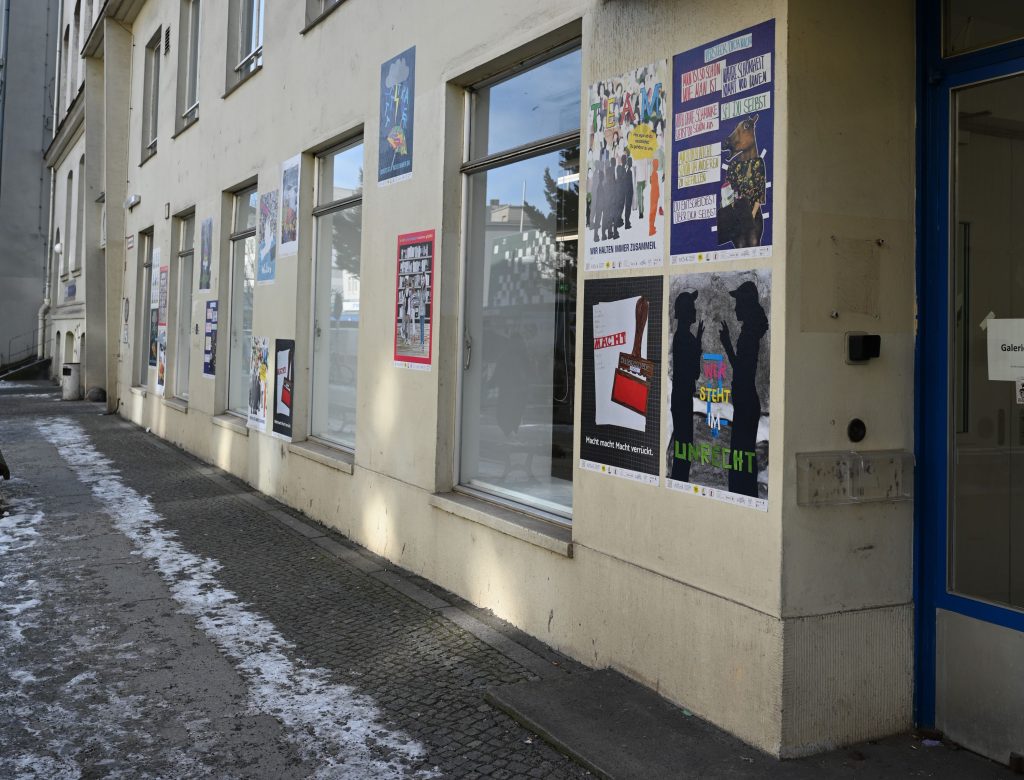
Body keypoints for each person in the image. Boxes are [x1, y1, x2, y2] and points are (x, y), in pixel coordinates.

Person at [719, 280, 768, 497]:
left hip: (746, 402)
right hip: (746, 401)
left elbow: (741, 369)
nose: (735, 307)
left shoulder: (748, 335)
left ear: (746, 305)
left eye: (738, 303)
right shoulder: (750, 331)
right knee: (742, 459)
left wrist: (727, 344)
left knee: (740, 461)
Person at [670, 290, 702, 482]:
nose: (695, 310)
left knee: (682, 448)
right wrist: (697, 347)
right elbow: (694, 373)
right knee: (684, 448)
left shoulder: (681, 336)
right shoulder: (686, 338)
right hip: (683, 399)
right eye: (692, 307)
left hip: (680, 398)